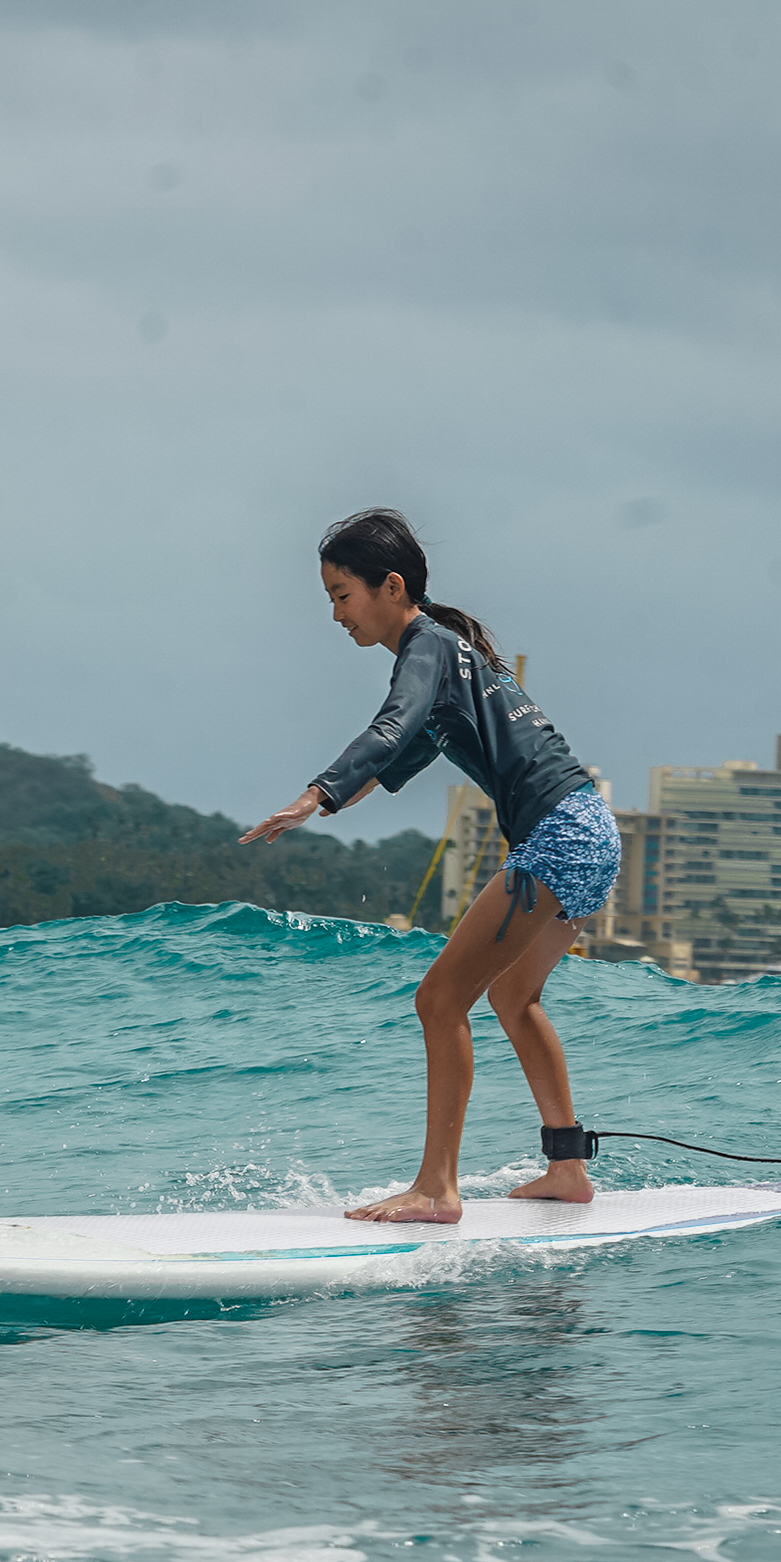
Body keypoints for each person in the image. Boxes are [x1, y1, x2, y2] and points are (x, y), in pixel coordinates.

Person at [239, 508, 620, 1223]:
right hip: (590, 830)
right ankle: (568, 1167)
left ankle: (437, 1188)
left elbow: (392, 723)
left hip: (560, 837)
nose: (334, 613)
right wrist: (343, 798)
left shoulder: (427, 646)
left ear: (390, 586)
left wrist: (313, 794)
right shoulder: (449, 652)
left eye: (341, 595)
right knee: (512, 998)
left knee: (440, 1001)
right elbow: (413, 743)